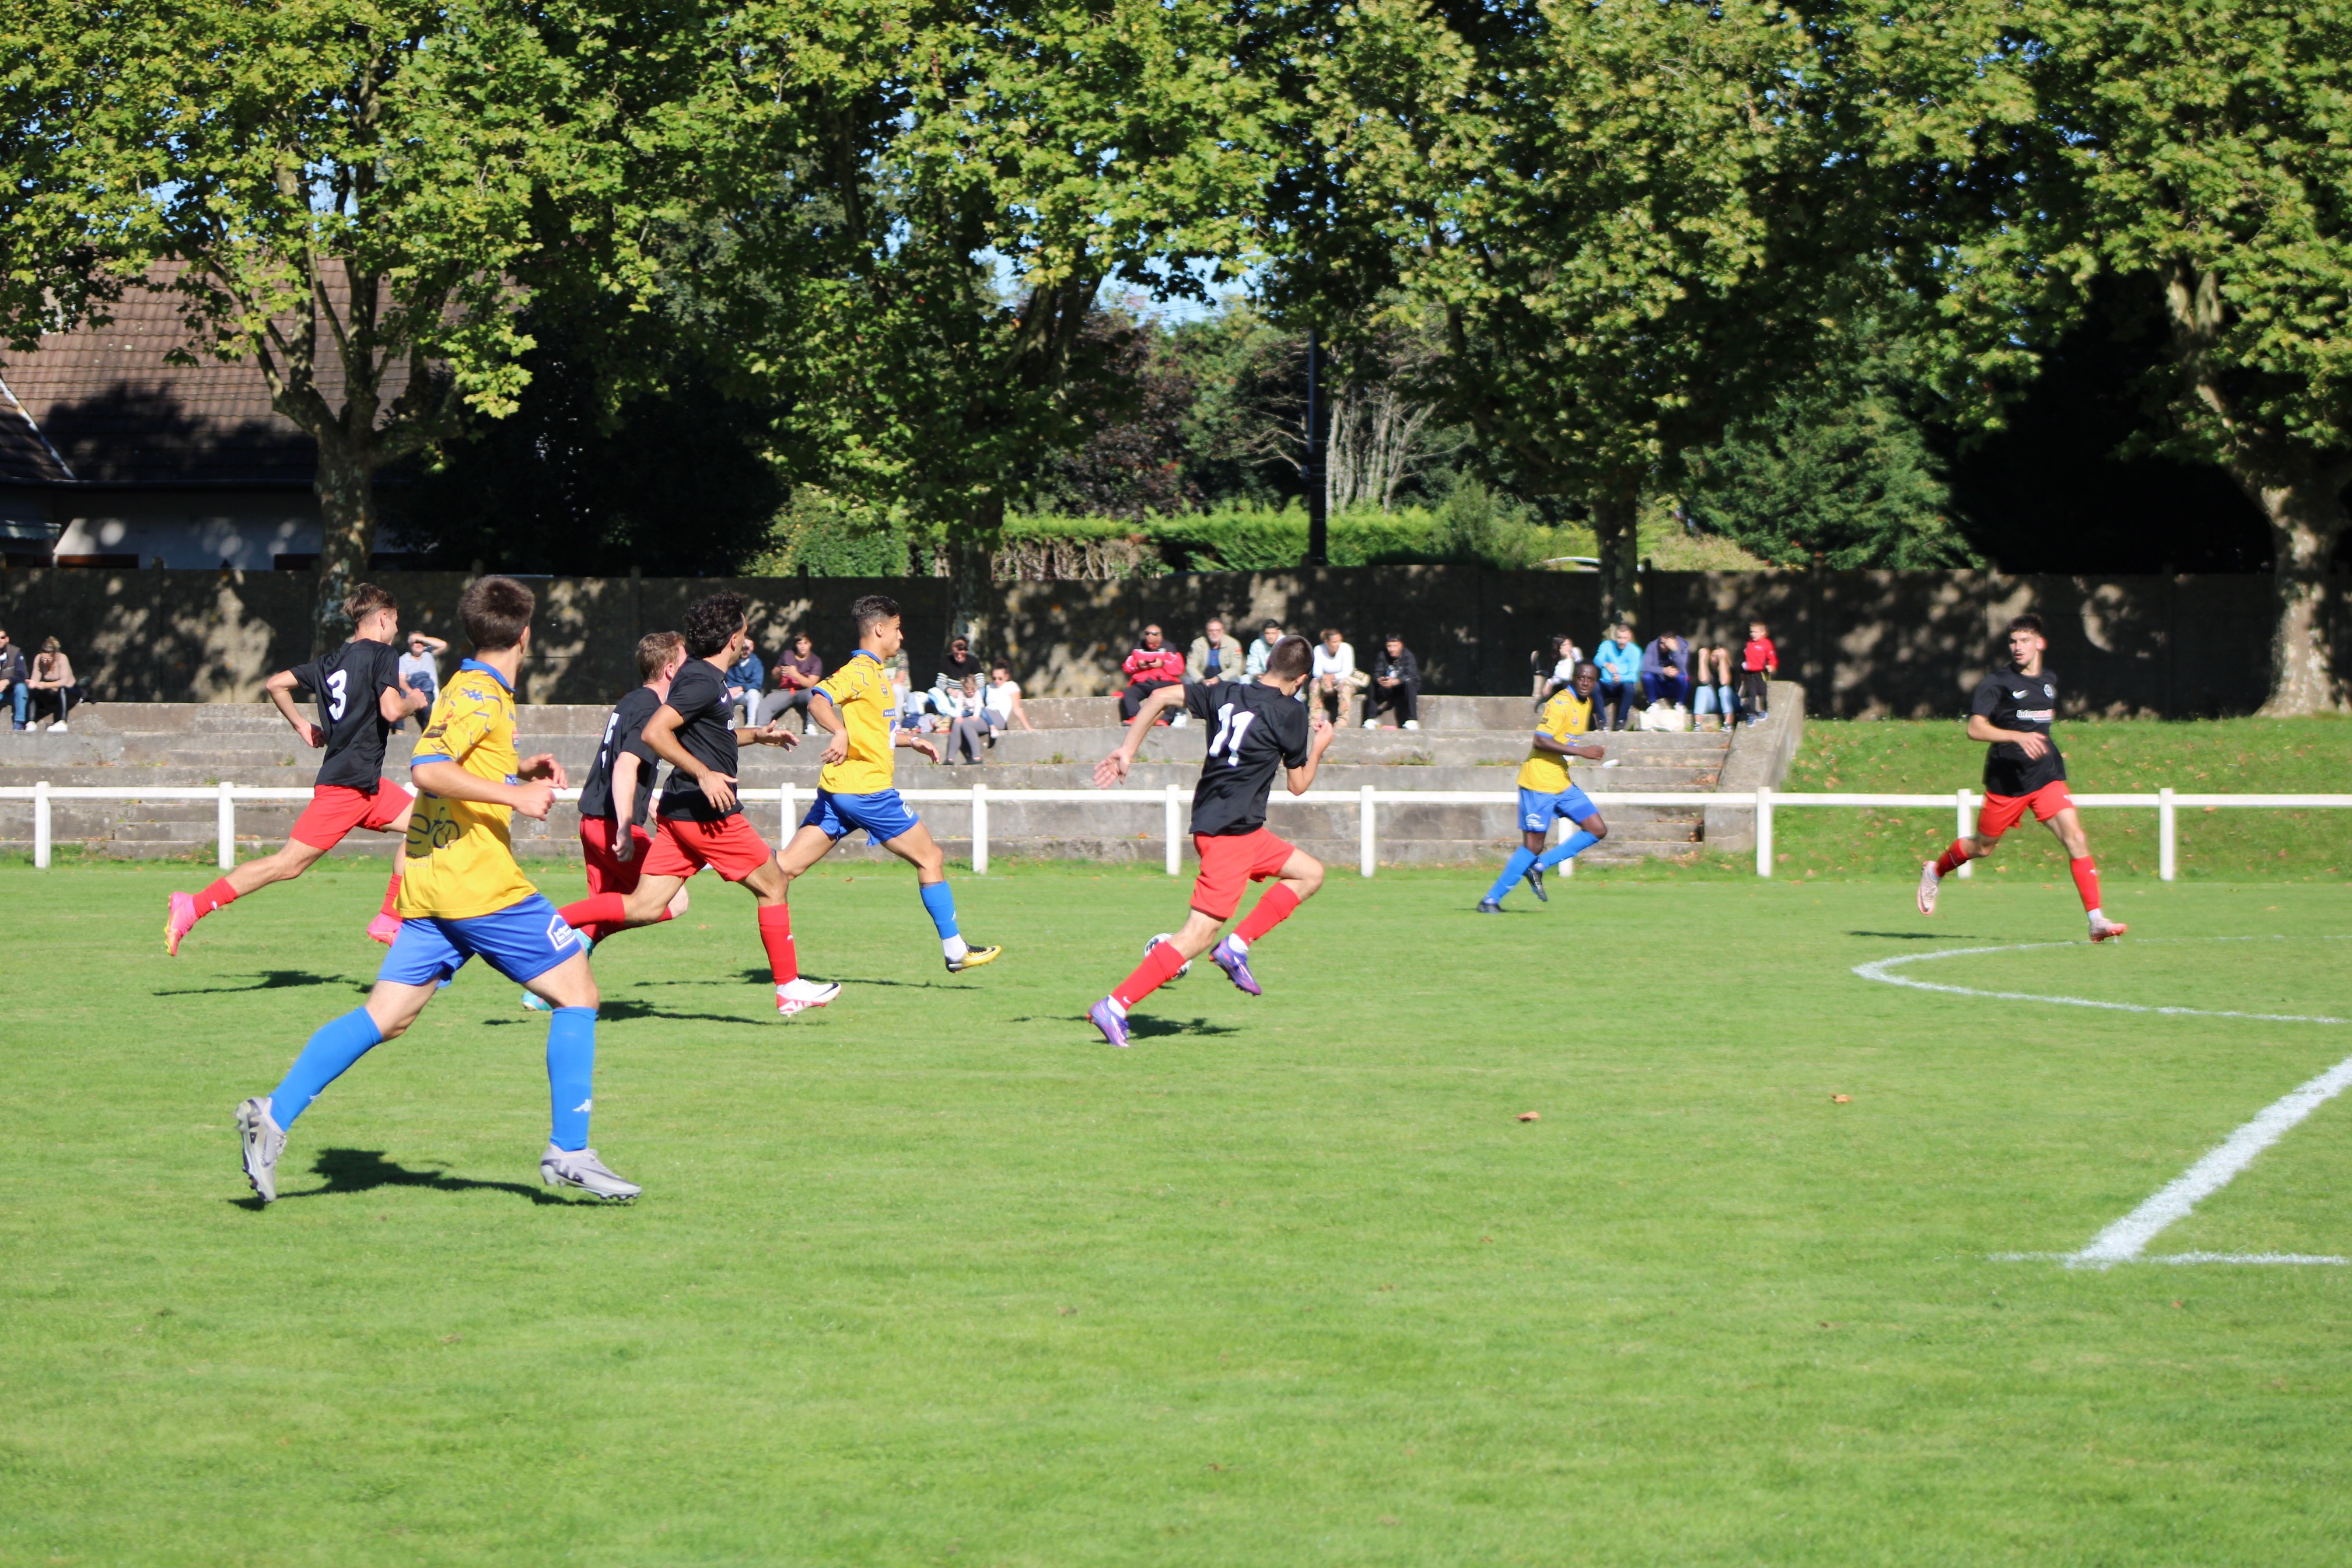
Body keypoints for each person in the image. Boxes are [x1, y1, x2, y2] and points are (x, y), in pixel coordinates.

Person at [233, 575, 640, 1205]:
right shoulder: (481, 695)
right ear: (526, 635)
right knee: (577, 990)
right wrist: (515, 793)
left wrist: (517, 765)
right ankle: (570, 1151)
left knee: (385, 1017)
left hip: (430, 882)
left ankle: (273, 1114)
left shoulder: (466, 685)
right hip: (477, 885)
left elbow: (451, 755)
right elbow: (426, 768)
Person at [558, 592, 831, 1016]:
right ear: (732, 638)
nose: (747, 637)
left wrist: (758, 734)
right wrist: (704, 774)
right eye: (744, 630)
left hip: (679, 811)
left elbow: (704, 734)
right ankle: (789, 987)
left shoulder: (703, 678)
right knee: (774, 883)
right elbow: (655, 732)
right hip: (706, 813)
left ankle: (552, 922)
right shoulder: (703, 680)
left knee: (645, 905)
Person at [1086, 635, 1335, 1046]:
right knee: (1198, 936)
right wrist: (1320, 746)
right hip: (1231, 837)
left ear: (1268, 661)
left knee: (1309, 874)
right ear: (1302, 678)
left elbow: (1161, 697)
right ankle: (1115, 1005)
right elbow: (1298, 784)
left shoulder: (1227, 690)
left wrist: (1128, 749)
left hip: (1234, 828)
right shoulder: (1291, 712)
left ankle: (1237, 946)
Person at [166, 584, 427, 956]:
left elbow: (276, 684)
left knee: (427, 826)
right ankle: (191, 906)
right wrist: (413, 700)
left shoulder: (329, 663)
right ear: (383, 618)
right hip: (346, 788)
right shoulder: (383, 653)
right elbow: (390, 710)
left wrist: (303, 726)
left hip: (367, 786)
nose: (396, 631)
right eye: (396, 623)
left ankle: (389, 918)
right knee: (286, 865)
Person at [769, 593, 1003, 975]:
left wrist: (912, 740)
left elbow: (877, 731)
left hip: (840, 789)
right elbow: (817, 700)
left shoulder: (877, 674)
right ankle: (955, 949)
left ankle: (715, 858)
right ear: (880, 629)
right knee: (931, 859)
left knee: (785, 868)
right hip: (867, 791)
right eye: (897, 628)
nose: (901, 636)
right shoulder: (861, 670)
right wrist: (838, 731)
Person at [1917, 614, 2126, 942]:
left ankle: (2096, 920)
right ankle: (1935, 870)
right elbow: (1975, 728)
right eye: (2013, 641)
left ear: (2040, 643)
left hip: (2046, 777)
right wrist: (2016, 737)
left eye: (2025, 640)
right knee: (1982, 848)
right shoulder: (1996, 683)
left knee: (2076, 838)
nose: (2018, 647)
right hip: (2007, 783)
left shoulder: (2050, 681)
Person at [521, 632, 695, 1011]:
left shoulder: (632, 701)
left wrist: (648, 807)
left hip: (592, 823)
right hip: (612, 828)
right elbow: (624, 766)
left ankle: (542, 991)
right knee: (674, 900)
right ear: (670, 669)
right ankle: (550, 928)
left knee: (600, 915)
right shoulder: (652, 711)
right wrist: (625, 826)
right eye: (686, 663)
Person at [1479, 663, 1610, 911]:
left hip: (1560, 781)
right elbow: (1540, 740)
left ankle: (1539, 867)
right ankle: (1490, 900)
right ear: (1573, 678)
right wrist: (1582, 751)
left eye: (1590, 679)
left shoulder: (1586, 704)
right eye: (1581, 677)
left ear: (1595, 683)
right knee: (1534, 845)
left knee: (1597, 829)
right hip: (1538, 782)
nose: (1585, 682)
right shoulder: (1560, 703)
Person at [1117, 625, 1185, 723]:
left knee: (1171, 692)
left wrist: (1162, 664)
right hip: (1143, 682)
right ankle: (1136, 718)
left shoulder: (1169, 648)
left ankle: (1164, 720)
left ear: (1160, 636)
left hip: (1164, 681)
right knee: (1129, 693)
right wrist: (1138, 665)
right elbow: (1127, 667)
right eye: (1149, 642)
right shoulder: (1138, 648)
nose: (1151, 646)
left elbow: (1179, 668)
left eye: (1154, 643)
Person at [756, 634, 824, 730]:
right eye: (799, 643)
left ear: (810, 644)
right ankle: (761, 728)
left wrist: (795, 674)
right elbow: (774, 674)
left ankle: (811, 726)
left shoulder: (816, 661)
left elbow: (811, 683)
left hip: (804, 691)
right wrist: (780, 671)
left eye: (805, 643)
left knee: (815, 694)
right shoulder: (788, 654)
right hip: (787, 690)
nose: (802, 646)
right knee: (766, 702)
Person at [1311, 628, 1366, 727]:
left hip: (1344, 680)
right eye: (1334, 642)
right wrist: (1325, 679)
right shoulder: (1319, 649)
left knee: (1344, 685)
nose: (1338, 644)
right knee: (1314, 683)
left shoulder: (1346, 648)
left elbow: (1347, 671)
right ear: (1327, 642)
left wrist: (1332, 677)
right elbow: (1317, 672)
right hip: (1326, 681)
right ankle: (1315, 718)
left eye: (1339, 641)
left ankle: (1343, 719)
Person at [1366, 634, 1422, 729]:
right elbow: (1377, 672)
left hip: (1403, 688)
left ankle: (1412, 720)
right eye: (1389, 646)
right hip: (1388, 688)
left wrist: (1396, 681)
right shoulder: (1382, 655)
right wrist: (1380, 679)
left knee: (1410, 682)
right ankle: (1371, 718)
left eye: (1395, 646)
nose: (1392, 649)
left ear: (1401, 646)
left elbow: (1411, 674)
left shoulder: (1408, 656)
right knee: (1372, 683)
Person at [1592, 625, 1640, 730]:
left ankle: (1621, 721)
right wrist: (1606, 664)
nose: (1621, 642)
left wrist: (1621, 678)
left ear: (1630, 637)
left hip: (1622, 685)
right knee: (1595, 687)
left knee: (1629, 688)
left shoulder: (1635, 651)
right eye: (1619, 638)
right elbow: (1597, 660)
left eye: (1625, 638)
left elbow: (1633, 676)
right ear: (1615, 637)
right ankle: (1602, 721)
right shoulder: (1607, 645)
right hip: (1606, 683)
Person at [397, 630, 447, 729]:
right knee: (398, 698)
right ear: (410, 644)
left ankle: (427, 729)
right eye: (415, 642)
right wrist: (411, 692)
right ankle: (399, 729)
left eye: (420, 642)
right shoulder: (403, 659)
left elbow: (443, 645)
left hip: (429, 690)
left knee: (428, 706)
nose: (418, 644)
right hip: (411, 689)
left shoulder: (429, 653)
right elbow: (401, 680)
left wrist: (421, 638)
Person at [27, 637, 76, 730]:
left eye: (48, 660)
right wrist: (32, 684)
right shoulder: (38, 659)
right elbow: (35, 678)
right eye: (43, 659)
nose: (45, 662)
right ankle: (31, 722)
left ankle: (62, 722)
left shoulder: (62, 658)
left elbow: (64, 681)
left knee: (63, 688)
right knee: (33, 691)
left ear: (54, 656)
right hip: (53, 693)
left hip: (69, 691)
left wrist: (46, 685)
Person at [944, 675, 993, 764]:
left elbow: (978, 705)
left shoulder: (977, 693)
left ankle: (976, 756)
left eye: (972, 691)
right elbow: (959, 705)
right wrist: (958, 716)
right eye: (968, 692)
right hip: (966, 711)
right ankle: (950, 758)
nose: (971, 694)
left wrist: (975, 716)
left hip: (978, 712)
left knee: (967, 724)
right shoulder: (961, 693)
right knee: (956, 723)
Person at [1640, 629, 1693, 712]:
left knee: (1684, 678)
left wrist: (1675, 651)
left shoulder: (1682, 646)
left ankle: (1680, 704)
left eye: (1666, 644)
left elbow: (1683, 669)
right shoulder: (1652, 646)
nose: (1663, 646)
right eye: (1661, 643)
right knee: (1646, 676)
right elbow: (1644, 667)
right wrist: (1663, 670)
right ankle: (1652, 704)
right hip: (1658, 684)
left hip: (1674, 685)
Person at [1691, 644, 1739, 728]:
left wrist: (1722, 661)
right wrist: (1702, 660)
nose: (1716, 659)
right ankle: (1698, 724)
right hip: (1716, 705)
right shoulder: (1708, 669)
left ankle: (1728, 723)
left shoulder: (1730, 669)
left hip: (1732, 703)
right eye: (1713, 656)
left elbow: (1724, 682)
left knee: (1724, 690)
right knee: (1702, 689)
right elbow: (1703, 680)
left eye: (1718, 656)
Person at [1740, 620, 1777, 723]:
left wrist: (1772, 666)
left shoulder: (1766, 644)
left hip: (1761, 672)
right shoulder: (1749, 644)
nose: (1753, 634)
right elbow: (1745, 658)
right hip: (1750, 673)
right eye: (1752, 632)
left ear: (1763, 633)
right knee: (1752, 693)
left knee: (1762, 692)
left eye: (1756, 632)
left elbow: (1772, 658)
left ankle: (1763, 710)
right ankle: (1751, 714)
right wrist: (1743, 671)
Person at [1188, 617, 1244, 686]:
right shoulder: (1197, 644)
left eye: (1218, 631)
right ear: (1207, 631)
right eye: (1211, 631)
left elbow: (1236, 668)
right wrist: (1201, 680)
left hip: (1224, 680)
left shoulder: (1233, 644)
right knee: (1187, 680)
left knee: (1235, 680)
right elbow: (1191, 666)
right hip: (1203, 679)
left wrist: (1218, 678)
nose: (1214, 633)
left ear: (1223, 631)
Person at [724, 637, 766, 726]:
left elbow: (757, 683)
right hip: (731, 692)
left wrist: (741, 688)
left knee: (754, 694)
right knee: (722, 695)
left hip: (746, 693)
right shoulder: (731, 660)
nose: (744, 651)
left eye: (747, 649)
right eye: (742, 649)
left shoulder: (756, 662)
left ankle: (751, 724)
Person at [984, 664, 1035, 732]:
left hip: (998, 716)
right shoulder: (989, 687)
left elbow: (1017, 709)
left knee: (968, 724)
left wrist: (1028, 728)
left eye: (1000, 678)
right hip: (986, 713)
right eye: (994, 678)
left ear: (1006, 677)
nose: (997, 681)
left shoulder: (1011, 686)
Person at [1535, 634, 1585, 702]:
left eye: (1569, 644)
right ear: (1558, 648)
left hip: (1575, 686)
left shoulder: (1575, 652)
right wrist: (1550, 682)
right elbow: (1559, 677)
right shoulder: (1557, 659)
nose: (1568, 647)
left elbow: (1567, 677)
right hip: (1562, 687)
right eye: (1564, 645)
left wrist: (1569, 658)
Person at [0, 627, 27, 729]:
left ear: (7, 639)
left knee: (21, 687)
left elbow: (22, 676)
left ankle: (19, 723)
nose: (0, 640)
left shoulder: (16, 653)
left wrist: (7, 681)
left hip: (14, 693)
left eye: (2, 638)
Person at [1243, 620, 1285, 684]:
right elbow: (1252, 666)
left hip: (1282, 678)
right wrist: (1257, 675)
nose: (1270, 636)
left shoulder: (1287, 644)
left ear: (1279, 633)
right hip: (1261, 678)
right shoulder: (1256, 645)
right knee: (1243, 679)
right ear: (1263, 633)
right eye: (1267, 633)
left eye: (1273, 633)